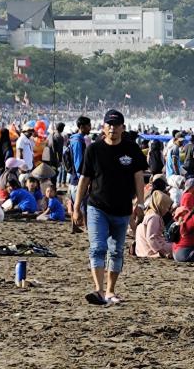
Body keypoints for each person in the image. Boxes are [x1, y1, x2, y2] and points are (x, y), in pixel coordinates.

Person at [72, 109, 149, 306]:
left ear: (123, 128)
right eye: (109, 125)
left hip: (123, 209)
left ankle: (110, 291)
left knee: (116, 251)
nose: (113, 128)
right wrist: (76, 206)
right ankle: (98, 290)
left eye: (116, 125)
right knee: (98, 248)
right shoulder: (94, 149)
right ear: (104, 127)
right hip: (97, 207)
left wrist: (140, 204)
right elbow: (84, 179)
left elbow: (138, 177)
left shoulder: (132, 149)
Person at [135, 188, 174, 258]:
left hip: (144, 248)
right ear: (161, 205)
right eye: (166, 207)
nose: (167, 210)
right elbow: (151, 238)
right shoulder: (154, 217)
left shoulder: (149, 213)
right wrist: (162, 252)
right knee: (177, 246)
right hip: (152, 249)